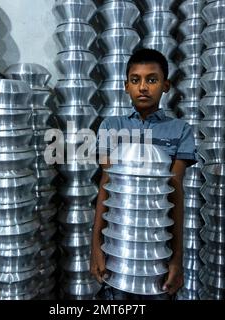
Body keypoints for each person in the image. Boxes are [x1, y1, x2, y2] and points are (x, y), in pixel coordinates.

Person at [90, 48, 198, 300]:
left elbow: (176, 193)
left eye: (152, 79)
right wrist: (95, 247)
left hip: (157, 250)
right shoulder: (111, 126)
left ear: (166, 85)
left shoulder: (180, 130)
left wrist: (176, 259)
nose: (143, 87)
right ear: (126, 86)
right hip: (117, 247)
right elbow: (106, 187)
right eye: (135, 80)